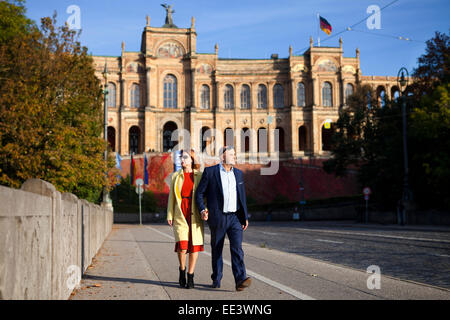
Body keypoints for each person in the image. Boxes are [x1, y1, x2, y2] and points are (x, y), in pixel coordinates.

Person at [195, 146, 252, 291]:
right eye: (231, 154)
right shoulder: (211, 172)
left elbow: (242, 196)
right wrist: (202, 209)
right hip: (217, 216)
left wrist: (244, 216)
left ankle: (240, 280)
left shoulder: (238, 174)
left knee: (237, 248)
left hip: (234, 218)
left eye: (234, 154)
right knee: (217, 249)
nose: (234, 156)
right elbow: (199, 194)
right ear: (222, 157)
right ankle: (217, 278)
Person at [167, 149, 204, 289]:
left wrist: (205, 210)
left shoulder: (200, 176)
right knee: (182, 246)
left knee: (194, 246)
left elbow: (204, 196)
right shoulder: (175, 176)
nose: (182, 160)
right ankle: (182, 270)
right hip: (180, 213)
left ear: (192, 160)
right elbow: (171, 198)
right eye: (181, 158)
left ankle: (190, 275)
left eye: (185, 158)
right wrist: (170, 214)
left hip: (194, 213)